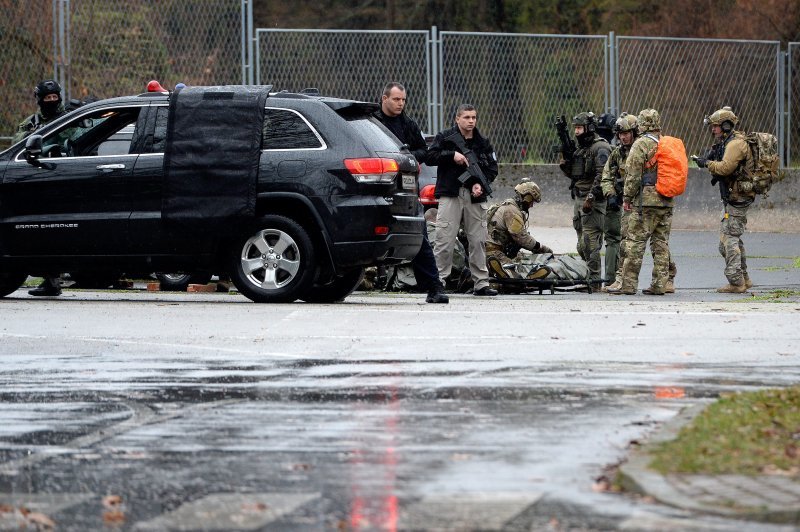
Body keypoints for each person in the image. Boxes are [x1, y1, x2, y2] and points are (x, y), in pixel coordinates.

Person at [373, 81, 448, 303]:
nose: (400, 104)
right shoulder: (372, 122)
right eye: (396, 99)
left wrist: (409, 157)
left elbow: (423, 150)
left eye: (403, 100)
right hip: (374, 187)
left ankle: (434, 287)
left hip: (403, 190)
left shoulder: (408, 124)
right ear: (384, 98)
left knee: (419, 236)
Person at [428, 104, 498, 296]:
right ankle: (438, 281)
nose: (471, 121)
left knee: (478, 240)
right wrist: (452, 155)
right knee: (444, 239)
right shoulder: (445, 138)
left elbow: (492, 169)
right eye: (466, 117)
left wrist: (480, 185)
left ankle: (481, 283)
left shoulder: (483, 142)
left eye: (473, 117)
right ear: (457, 119)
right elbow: (430, 156)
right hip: (451, 193)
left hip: (475, 197)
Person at [609, 109, 674, 296]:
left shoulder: (640, 144)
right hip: (666, 200)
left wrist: (627, 198)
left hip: (645, 202)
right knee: (661, 243)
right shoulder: (666, 142)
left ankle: (628, 285)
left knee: (635, 243)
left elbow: (633, 175)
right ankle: (659, 285)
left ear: (641, 124)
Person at [14, 79, 68, 297]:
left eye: (55, 98)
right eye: (48, 98)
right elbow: (18, 146)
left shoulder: (69, 118)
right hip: (41, 178)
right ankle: (51, 278)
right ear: (40, 100)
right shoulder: (31, 123)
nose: (52, 101)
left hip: (67, 177)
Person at [693, 107, 754, 293]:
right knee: (731, 238)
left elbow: (725, 168)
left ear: (726, 126)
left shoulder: (735, 144)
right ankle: (744, 279)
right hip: (732, 197)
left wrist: (706, 163)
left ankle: (737, 283)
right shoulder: (727, 142)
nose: (713, 129)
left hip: (737, 197)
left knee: (728, 240)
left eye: (716, 126)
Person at [560, 112, 611, 285]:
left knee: (590, 244)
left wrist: (591, 196)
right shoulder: (580, 149)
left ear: (589, 128)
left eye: (580, 128)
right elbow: (577, 176)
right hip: (579, 198)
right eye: (575, 128)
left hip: (593, 201)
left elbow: (602, 174)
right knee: (581, 246)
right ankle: (587, 276)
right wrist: (566, 165)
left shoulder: (600, 148)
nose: (577, 132)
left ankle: (595, 281)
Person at [485, 181, 553, 279]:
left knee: (520, 259)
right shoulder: (512, 211)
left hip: (490, 250)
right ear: (527, 197)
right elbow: (521, 237)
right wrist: (540, 248)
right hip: (493, 253)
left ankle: (500, 275)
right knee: (515, 274)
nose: (531, 205)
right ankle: (521, 279)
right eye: (532, 201)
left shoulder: (508, 206)